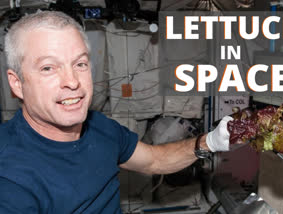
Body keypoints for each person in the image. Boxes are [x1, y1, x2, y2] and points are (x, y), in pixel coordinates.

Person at [0, 11, 233, 213]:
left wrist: (210, 141)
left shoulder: (98, 126)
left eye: (80, 64)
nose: (72, 81)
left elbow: (154, 160)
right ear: (17, 83)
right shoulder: (8, 175)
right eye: (48, 68)